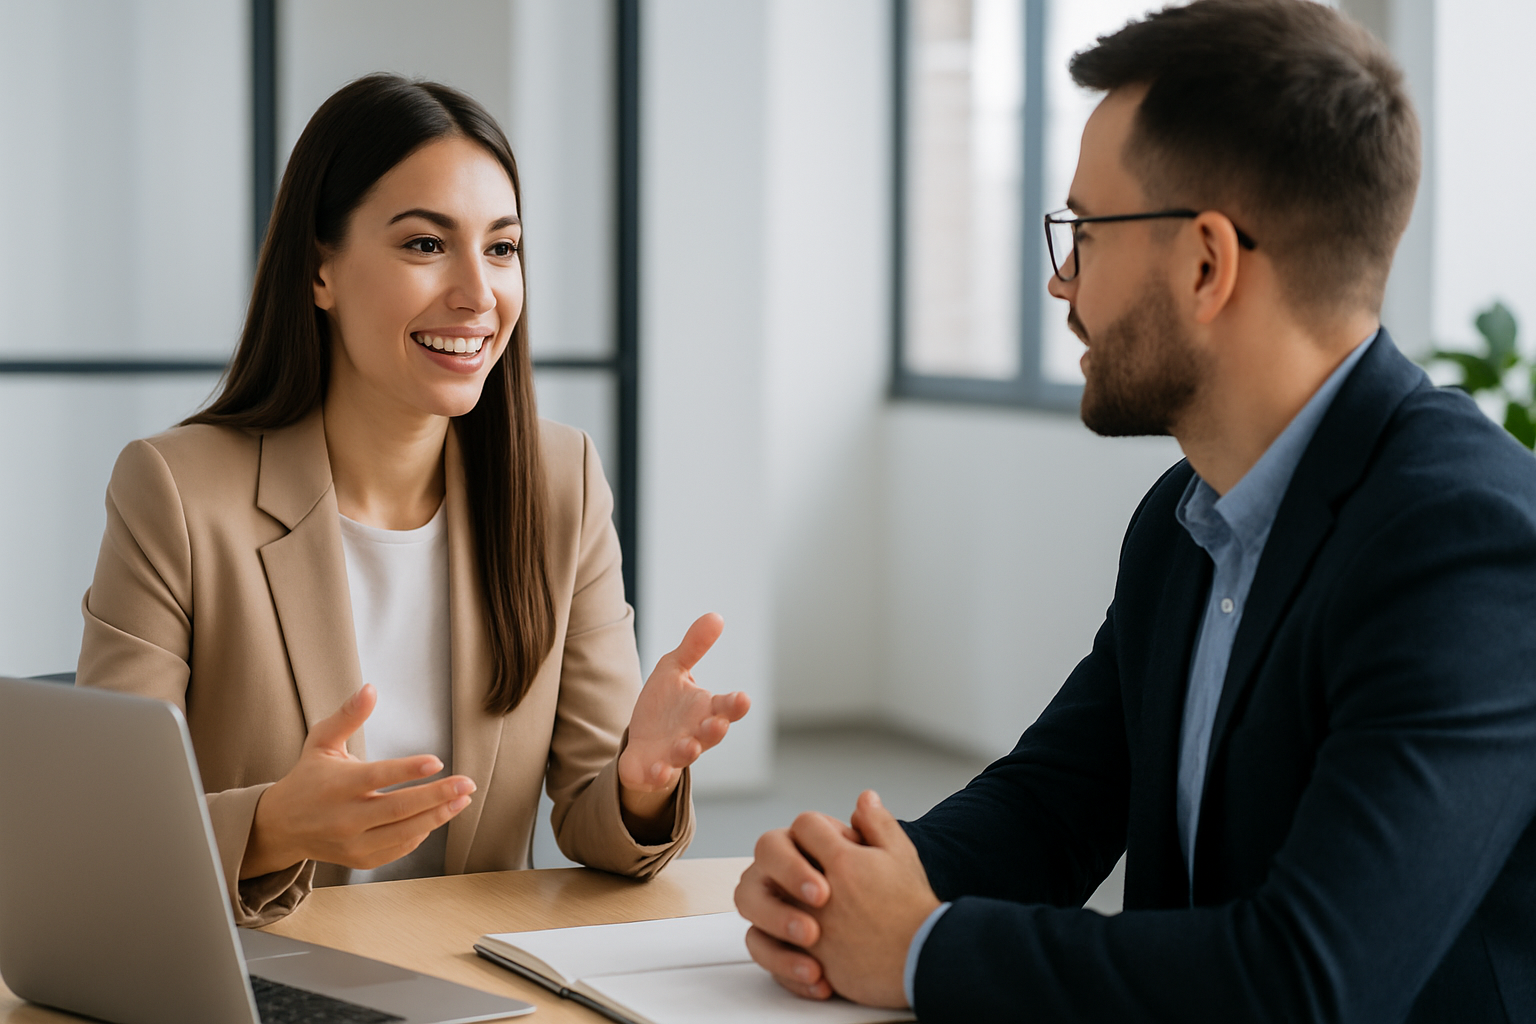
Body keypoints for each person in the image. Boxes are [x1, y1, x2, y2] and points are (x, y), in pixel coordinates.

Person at [735, 2, 1536, 1020]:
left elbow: (1311, 980)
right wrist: (839, 885)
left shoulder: (1468, 543)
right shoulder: (1186, 519)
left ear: (1208, 263)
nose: (1063, 281)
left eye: (1085, 230)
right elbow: (1054, 804)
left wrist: (922, 946)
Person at [77, 74, 749, 927]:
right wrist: (272, 826)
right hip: (255, 976)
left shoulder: (560, 483)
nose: (478, 294)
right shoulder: (175, 491)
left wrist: (637, 782)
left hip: (469, 978)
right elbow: (104, 838)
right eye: (427, 246)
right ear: (320, 270)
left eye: (501, 248)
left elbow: (590, 817)